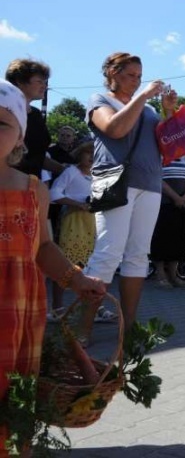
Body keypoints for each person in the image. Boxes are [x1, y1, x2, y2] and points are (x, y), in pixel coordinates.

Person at [0, 80, 105, 453]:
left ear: (19, 139)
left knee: (14, 396)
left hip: (20, 314)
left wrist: (76, 280)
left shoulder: (34, 190)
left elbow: (43, 246)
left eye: (2, 123)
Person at [79, 52, 178, 342]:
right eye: (130, 75)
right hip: (115, 184)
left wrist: (168, 111)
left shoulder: (147, 110)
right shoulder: (100, 101)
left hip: (150, 184)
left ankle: (129, 325)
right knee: (107, 255)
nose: (137, 81)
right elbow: (116, 128)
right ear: (112, 73)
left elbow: (166, 142)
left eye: (139, 76)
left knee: (138, 255)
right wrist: (145, 96)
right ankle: (82, 328)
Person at [48, 141, 96, 319]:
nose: (91, 157)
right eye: (88, 153)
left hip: (92, 222)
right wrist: (77, 204)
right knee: (67, 265)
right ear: (79, 154)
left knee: (91, 266)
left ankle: (92, 307)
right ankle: (57, 309)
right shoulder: (71, 171)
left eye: (95, 153)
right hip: (73, 221)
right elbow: (54, 193)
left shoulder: (98, 175)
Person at [5, 59, 67, 181]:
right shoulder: (5, 113)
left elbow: (37, 156)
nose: (45, 86)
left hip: (30, 188)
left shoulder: (36, 115)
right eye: (39, 81)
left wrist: (65, 170)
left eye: (45, 81)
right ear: (20, 81)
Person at [149, 156, 185, 288]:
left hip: (181, 204)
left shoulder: (184, 158)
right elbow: (158, 179)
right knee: (161, 238)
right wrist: (176, 197)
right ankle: (161, 275)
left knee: (178, 239)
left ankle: (173, 276)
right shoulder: (160, 156)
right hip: (164, 203)